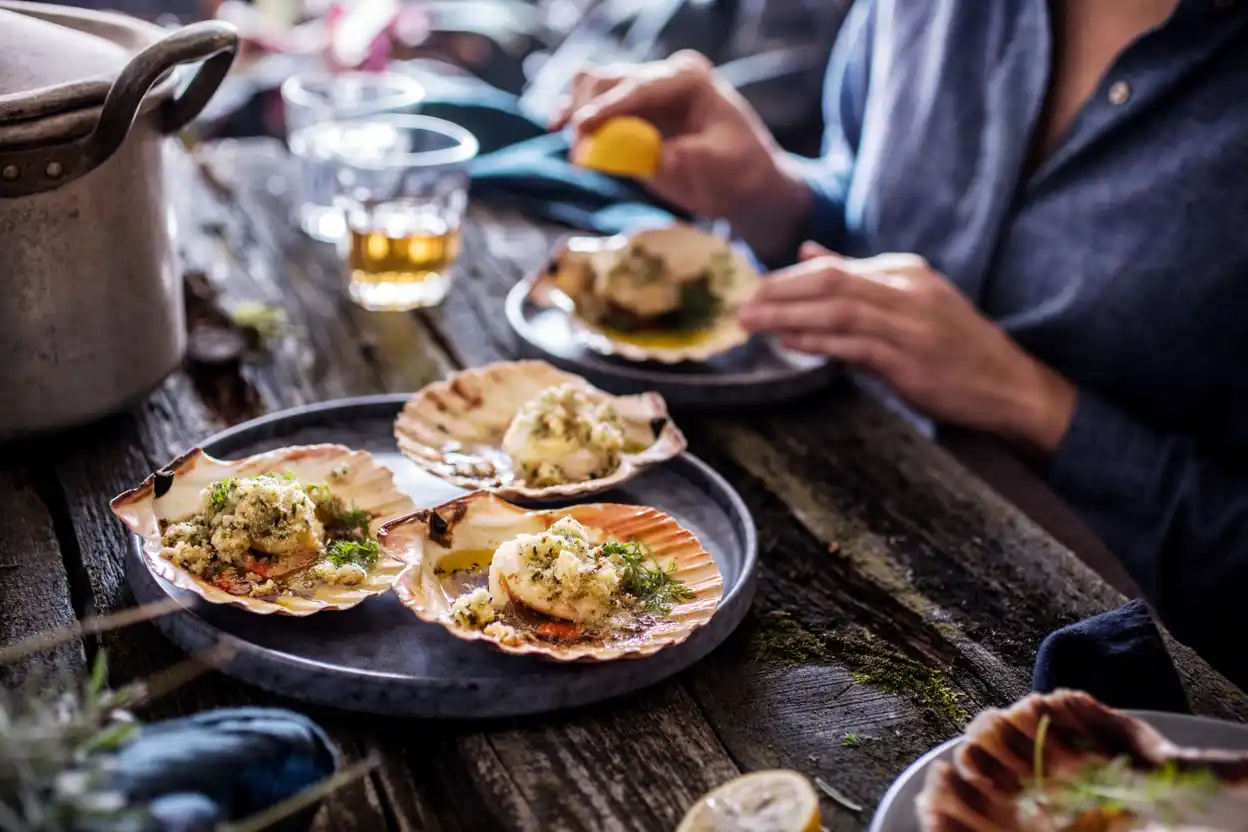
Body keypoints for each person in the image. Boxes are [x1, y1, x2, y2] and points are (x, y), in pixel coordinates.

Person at [549, 0, 1248, 684]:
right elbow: (869, 214)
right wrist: (773, 195)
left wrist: (1032, 402)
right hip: (817, 527)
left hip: (1106, 660)